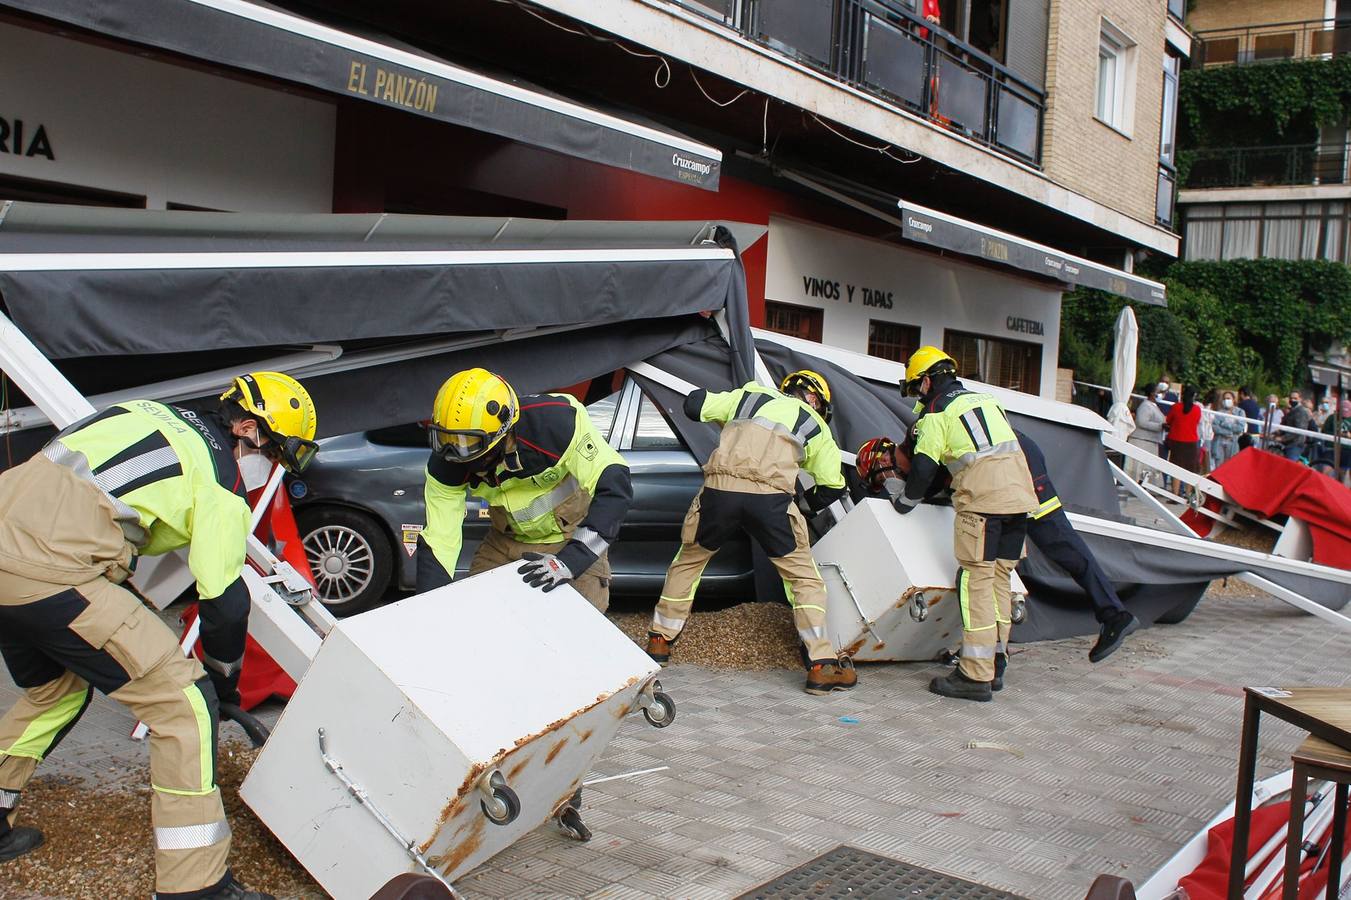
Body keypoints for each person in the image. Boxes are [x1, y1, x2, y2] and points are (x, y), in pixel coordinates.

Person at [0, 372, 319, 900]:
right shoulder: (221, 483)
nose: (273, 469)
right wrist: (223, 685)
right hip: (48, 570)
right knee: (185, 703)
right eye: (276, 454)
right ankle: (196, 887)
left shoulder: (150, 413)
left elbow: (92, 503)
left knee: (57, 689)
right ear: (244, 428)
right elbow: (225, 603)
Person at [645, 371, 857, 696]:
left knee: (688, 562)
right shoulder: (815, 423)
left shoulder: (749, 396)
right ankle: (820, 666)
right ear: (815, 399)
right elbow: (832, 487)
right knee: (805, 580)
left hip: (719, 492)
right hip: (771, 501)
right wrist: (801, 504)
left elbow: (694, 404)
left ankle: (659, 640)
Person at [857, 431, 1139, 668]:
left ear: (883, 459)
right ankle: (1110, 614)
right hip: (1014, 460)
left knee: (992, 569)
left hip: (1009, 467)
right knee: (1027, 560)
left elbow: (916, 493)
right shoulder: (928, 435)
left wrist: (904, 499)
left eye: (882, 478)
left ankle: (987, 658)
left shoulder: (923, 443)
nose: (888, 485)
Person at [417, 368, 632, 612]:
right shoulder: (445, 463)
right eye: (445, 440)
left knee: (576, 627)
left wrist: (572, 561)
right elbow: (439, 541)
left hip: (568, 538)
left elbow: (615, 489)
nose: (454, 454)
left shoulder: (558, 425)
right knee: (479, 619)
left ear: (502, 431)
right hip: (503, 542)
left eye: (467, 444)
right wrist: (428, 610)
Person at [891, 347, 1037, 702]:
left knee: (976, 582)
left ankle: (974, 674)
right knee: (1001, 578)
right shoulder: (985, 401)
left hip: (984, 504)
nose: (917, 398)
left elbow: (924, 469)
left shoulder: (936, 413)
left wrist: (906, 501)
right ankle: (995, 662)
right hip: (1019, 500)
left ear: (926, 381)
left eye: (915, 389)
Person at [1164, 385, 1203, 492]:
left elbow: (1168, 420)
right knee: (1190, 469)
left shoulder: (1176, 407)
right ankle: (1188, 494)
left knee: (1176, 467)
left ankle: (1175, 494)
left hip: (1176, 440)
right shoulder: (1197, 409)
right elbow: (1197, 422)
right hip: (1191, 441)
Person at [1127, 387, 1166, 483]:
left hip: (1150, 441)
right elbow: (1142, 422)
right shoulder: (1145, 406)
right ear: (1152, 393)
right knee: (1140, 467)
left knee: (1148, 467)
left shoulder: (1154, 406)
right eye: (1159, 392)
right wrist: (1160, 426)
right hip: (1142, 440)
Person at [1275, 390, 1313, 462]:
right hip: (1289, 444)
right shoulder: (1292, 410)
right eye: (1291, 398)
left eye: (1295, 398)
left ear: (1300, 399)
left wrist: (1282, 438)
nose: (1292, 400)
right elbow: (1285, 426)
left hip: (1296, 444)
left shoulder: (1301, 412)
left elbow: (1298, 431)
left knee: (1290, 467)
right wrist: (1275, 433)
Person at [1211, 390, 1244, 469]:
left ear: (1233, 399)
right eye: (1224, 399)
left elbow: (1239, 428)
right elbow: (1215, 428)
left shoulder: (1240, 412)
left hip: (1233, 444)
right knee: (1218, 467)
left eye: (1228, 398)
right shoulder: (1219, 412)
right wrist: (1228, 432)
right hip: (1219, 443)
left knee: (1229, 467)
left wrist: (1223, 424)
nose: (1226, 400)